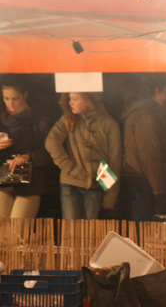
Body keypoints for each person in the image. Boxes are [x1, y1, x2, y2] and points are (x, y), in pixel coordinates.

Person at [45, 92, 121, 219]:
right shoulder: (68, 118)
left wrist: (110, 195)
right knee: (70, 228)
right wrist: (69, 167)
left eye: (74, 99)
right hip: (70, 183)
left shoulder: (109, 123)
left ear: (88, 101)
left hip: (95, 185)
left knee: (88, 229)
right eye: (69, 99)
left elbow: (114, 160)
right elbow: (51, 142)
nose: (70, 103)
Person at [120, 74, 166, 221]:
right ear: (156, 90)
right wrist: (158, 191)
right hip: (142, 183)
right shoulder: (146, 116)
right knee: (143, 228)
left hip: (137, 180)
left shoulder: (140, 112)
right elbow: (150, 156)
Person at [0, 76, 52, 218]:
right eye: (6, 98)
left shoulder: (40, 118)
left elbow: (50, 152)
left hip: (31, 181)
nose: (10, 103)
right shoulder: (2, 117)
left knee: (18, 228)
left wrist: (29, 157)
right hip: (3, 179)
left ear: (25, 95)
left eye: (15, 98)